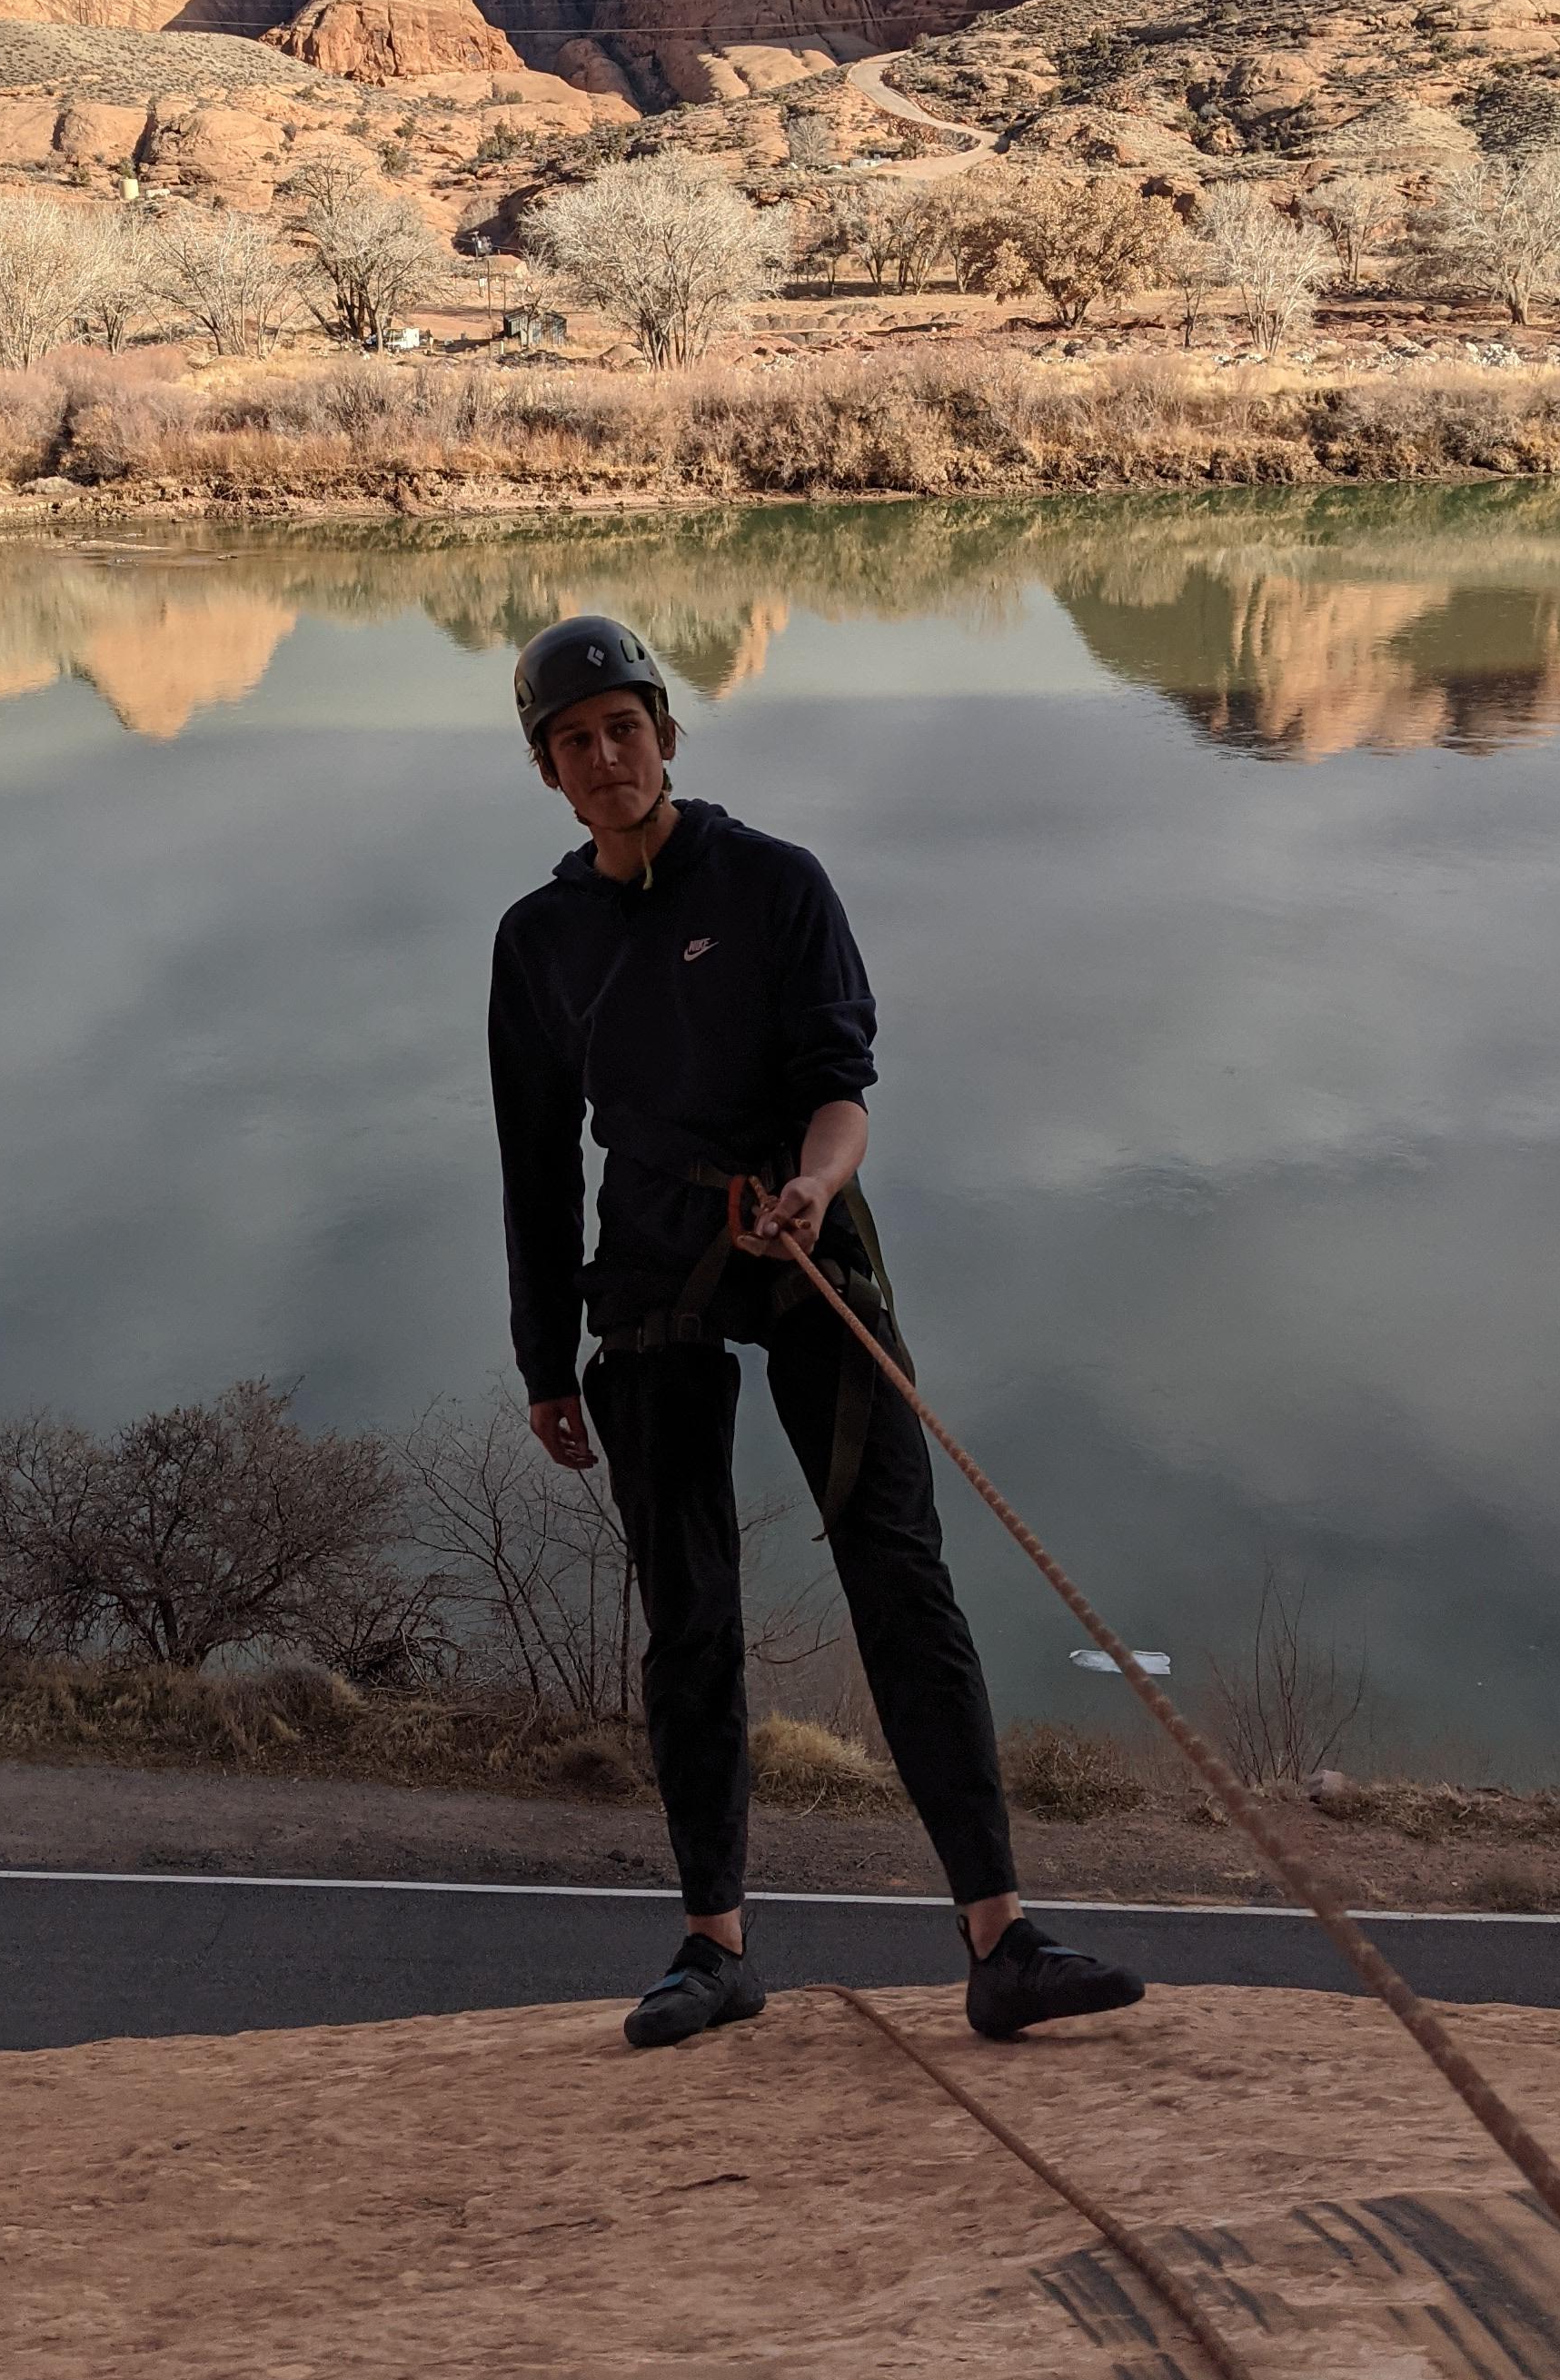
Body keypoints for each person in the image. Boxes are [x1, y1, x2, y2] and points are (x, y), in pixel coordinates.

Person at [488, 613, 1147, 2052]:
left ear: (667, 731)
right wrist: (547, 1362)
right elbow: (534, 1161)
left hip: (804, 1249)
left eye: (625, 728)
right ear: (547, 769)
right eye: (575, 739)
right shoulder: (537, 942)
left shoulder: (778, 884)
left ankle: (1000, 1934)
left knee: (899, 1579)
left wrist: (817, 1181)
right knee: (692, 1620)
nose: (606, 757)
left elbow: (840, 1083)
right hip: (653, 1280)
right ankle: (714, 1945)